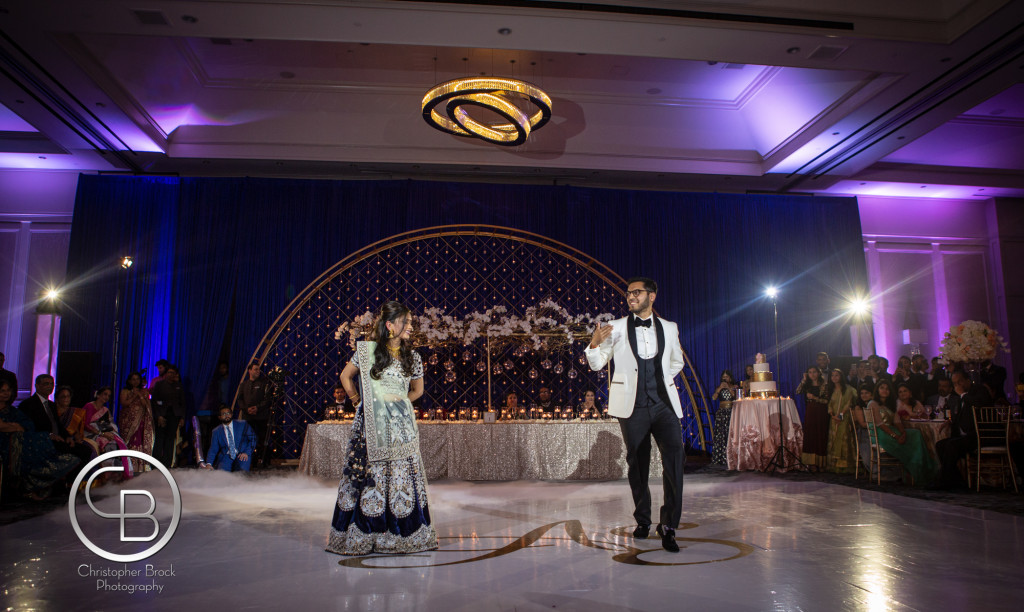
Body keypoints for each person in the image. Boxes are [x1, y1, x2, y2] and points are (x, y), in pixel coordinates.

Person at [327, 301, 439, 556]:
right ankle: (366, 530)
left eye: (411, 322)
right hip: (371, 425)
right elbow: (346, 376)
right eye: (406, 322)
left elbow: (418, 391)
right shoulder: (369, 353)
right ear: (390, 325)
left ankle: (401, 532)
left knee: (399, 476)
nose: (411, 326)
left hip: (401, 426)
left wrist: (397, 404)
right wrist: (358, 401)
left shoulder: (414, 357)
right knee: (372, 475)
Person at [585, 277, 686, 553]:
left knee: (675, 461)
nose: (631, 297)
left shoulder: (669, 327)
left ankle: (669, 526)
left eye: (637, 293)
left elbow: (677, 361)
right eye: (629, 293)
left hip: (664, 405)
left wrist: (660, 379)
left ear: (651, 296)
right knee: (638, 465)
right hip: (632, 406)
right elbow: (596, 365)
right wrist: (594, 343)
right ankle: (643, 519)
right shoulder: (615, 327)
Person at [0, 380, 80, 500]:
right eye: (2, 391)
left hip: (19, 437)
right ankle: (28, 486)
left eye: (8, 390)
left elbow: (27, 425)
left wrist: (13, 427)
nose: (6, 393)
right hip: (4, 441)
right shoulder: (27, 404)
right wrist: (14, 427)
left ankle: (40, 484)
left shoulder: (11, 410)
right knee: (35, 441)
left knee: (38, 439)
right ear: (36, 385)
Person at [865, 380, 938, 486]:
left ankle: (922, 469)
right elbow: (880, 424)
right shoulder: (873, 403)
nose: (885, 390)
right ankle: (916, 472)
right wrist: (896, 436)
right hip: (880, 434)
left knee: (916, 434)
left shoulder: (891, 404)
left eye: (887, 388)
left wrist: (903, 433)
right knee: (909, 443)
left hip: (891, 430)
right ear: (877, 390)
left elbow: (897, 421)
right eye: (882, 388)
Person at [17, 374, 92, 471]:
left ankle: (69, 482)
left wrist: (67, 437)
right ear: (37, 386)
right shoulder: (28, 404)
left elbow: (58, 425)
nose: (50, 386)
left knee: (86, 450)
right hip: (42, 441)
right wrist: (49, 435)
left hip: (58, 440)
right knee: (78, 452)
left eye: (52, 384)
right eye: (46, 384)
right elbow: (29, 427)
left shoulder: (51, 405)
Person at [934, 370, 994, 489]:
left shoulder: (979, 390)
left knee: (952, 445)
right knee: (940, 445)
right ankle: (956, 480)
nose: (958, 385)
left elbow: (979, 403)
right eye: (955, 383)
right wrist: (950, 421)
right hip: (965, 435)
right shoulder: (962, 396)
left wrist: (963, 395)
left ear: (967, 380)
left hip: (979, 434)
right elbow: (961, 414)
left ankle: (943, 481)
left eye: (960, 382)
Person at [83, 387, 133, 479]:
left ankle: (118, 475)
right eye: (105, 394)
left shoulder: (105, 410)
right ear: (98, 395)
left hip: (104, 433)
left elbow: (111, 424)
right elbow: (86, 424)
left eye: (109, 396)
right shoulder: (89, 406)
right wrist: (102, 433)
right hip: (91, 433)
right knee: (108, 444)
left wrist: (113, 434)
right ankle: (108, 475)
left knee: (119, 443)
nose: (106, 397)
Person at [239, 362, 274, 469]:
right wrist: (246, 409)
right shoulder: (244, 385)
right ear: (249, 371)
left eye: (259, 370)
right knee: (248, 439)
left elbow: (267, 400)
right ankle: (249, 461)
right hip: (248, 417)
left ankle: (263, 461)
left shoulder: (264, 384)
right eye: (256, 369)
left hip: (261, 417)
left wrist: (257, 408)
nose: (258, 371)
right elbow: (240, 400)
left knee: (262, 439)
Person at [118, 371, 154, 473]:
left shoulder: (144, 391)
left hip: (141, 420)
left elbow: (146, 405)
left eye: (137, 379)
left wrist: (141, 395)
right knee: (131, 441)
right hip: (128, 421)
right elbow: (124, 403)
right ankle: (129, 466)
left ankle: (141, 467)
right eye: (133, 379)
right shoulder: (125, 391)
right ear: (129, 380)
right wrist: (134, 395)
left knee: (140, 441)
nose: (135, 381)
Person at [151, 365, 185, 468]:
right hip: (162, 414)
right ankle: (155, 463)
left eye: (173, 373)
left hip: (174, 415)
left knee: (170, 439)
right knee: (160, 439)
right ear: (166, 374)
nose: (171, 374)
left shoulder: (178, 386)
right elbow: (154, 402)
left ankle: (167, 464)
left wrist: (182, 417)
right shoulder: (159, 384)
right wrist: (158, 416)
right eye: (169, 372)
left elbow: (182, 403)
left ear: (175, 374)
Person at [203, 406, 256, 472]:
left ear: (232, 414)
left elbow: (253, 439)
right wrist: (208, 463)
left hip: (242, 453)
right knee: (221, 474)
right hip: (226, 455)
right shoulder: (216, 431)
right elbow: (213, 449)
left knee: (242, 473)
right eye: (224, 414)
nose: (227, 415)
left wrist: (246, 452)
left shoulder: (243, 424)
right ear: (219, 417)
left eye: (228, 413)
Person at [824, 368, 857, 474]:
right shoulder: (831, 390)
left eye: (836, 375)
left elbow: (849, 403)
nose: (834, 377)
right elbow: (829, 404)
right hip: (834, 420)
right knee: (834, 439)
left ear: (841, 376)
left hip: (844, 419)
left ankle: (846, 465)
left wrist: (841, 415)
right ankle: (834, 464)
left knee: (844, 440)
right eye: (832, 375)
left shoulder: (849, 389)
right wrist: (833, 415)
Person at [796, 366, 828, 469]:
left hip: (821, 412)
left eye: (814, 372)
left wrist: (815, 398)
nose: (812, 374)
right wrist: (804, 380)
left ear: (818, 373)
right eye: (810, 372)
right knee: (810, 434)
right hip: (810, 411)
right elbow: (798, 391)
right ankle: (811, 463)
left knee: (820, 434)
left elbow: (827, 401)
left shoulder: (824, 385)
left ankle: (821, 463)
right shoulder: (807, 385)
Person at [710, 370, 737, 466]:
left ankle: (732, 458)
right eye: (723, 377)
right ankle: (721, 457)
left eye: (727, 377)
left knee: (731, 434)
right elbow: (713, 398)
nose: (725, 378)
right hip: (722, 413)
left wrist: (729, 388)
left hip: (731, 412)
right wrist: (719, 389)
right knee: (721, 435)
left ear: (730, 378)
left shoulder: (734, 387)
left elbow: (735, 398)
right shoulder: (719, 388)